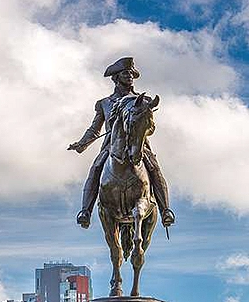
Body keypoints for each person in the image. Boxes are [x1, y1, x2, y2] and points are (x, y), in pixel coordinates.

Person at [68, 57, 173, 229]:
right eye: (126, 73)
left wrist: (141, 130)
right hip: (111, 147)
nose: (130, 76)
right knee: (96, 168)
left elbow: (151, 128)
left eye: (131, 73)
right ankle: (85, 211)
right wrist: (82, 144)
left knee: (154, 169)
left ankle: (165, 211)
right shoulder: (104, 103)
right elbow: (95, 129)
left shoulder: (143, 101)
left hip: (138, 145)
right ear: (116, 77)